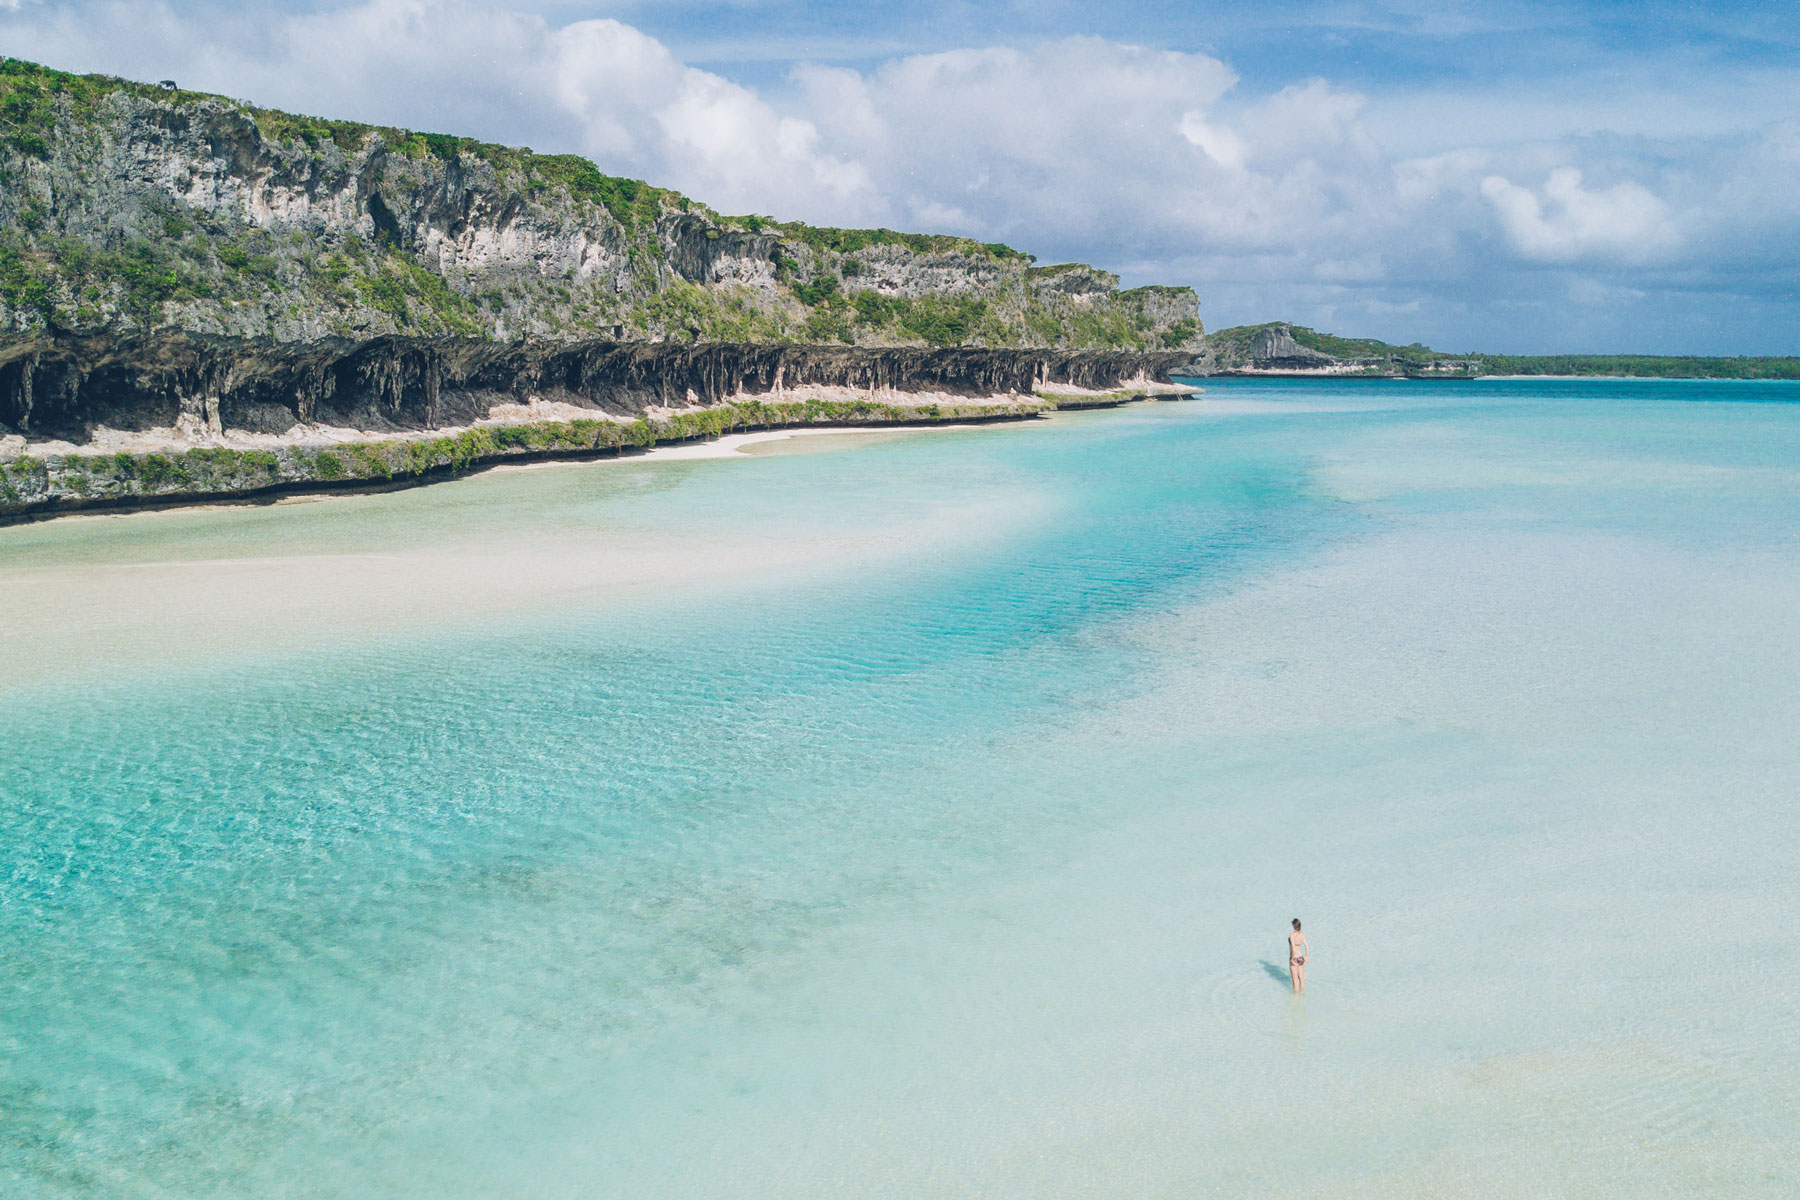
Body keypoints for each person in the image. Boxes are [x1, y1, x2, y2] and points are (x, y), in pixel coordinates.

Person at [1288, 918, 1309, 993]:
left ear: (1293, 926)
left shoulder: (1292, 935)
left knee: (1295, 981)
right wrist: (1306, 957)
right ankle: (1303, 995)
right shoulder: (1302, 933)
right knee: (1301, 979)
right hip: (1301, 957)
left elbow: (1293, 948)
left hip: (1294, 957)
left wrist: (1292, 959)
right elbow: (1306, 946)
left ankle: (1296, 1000)